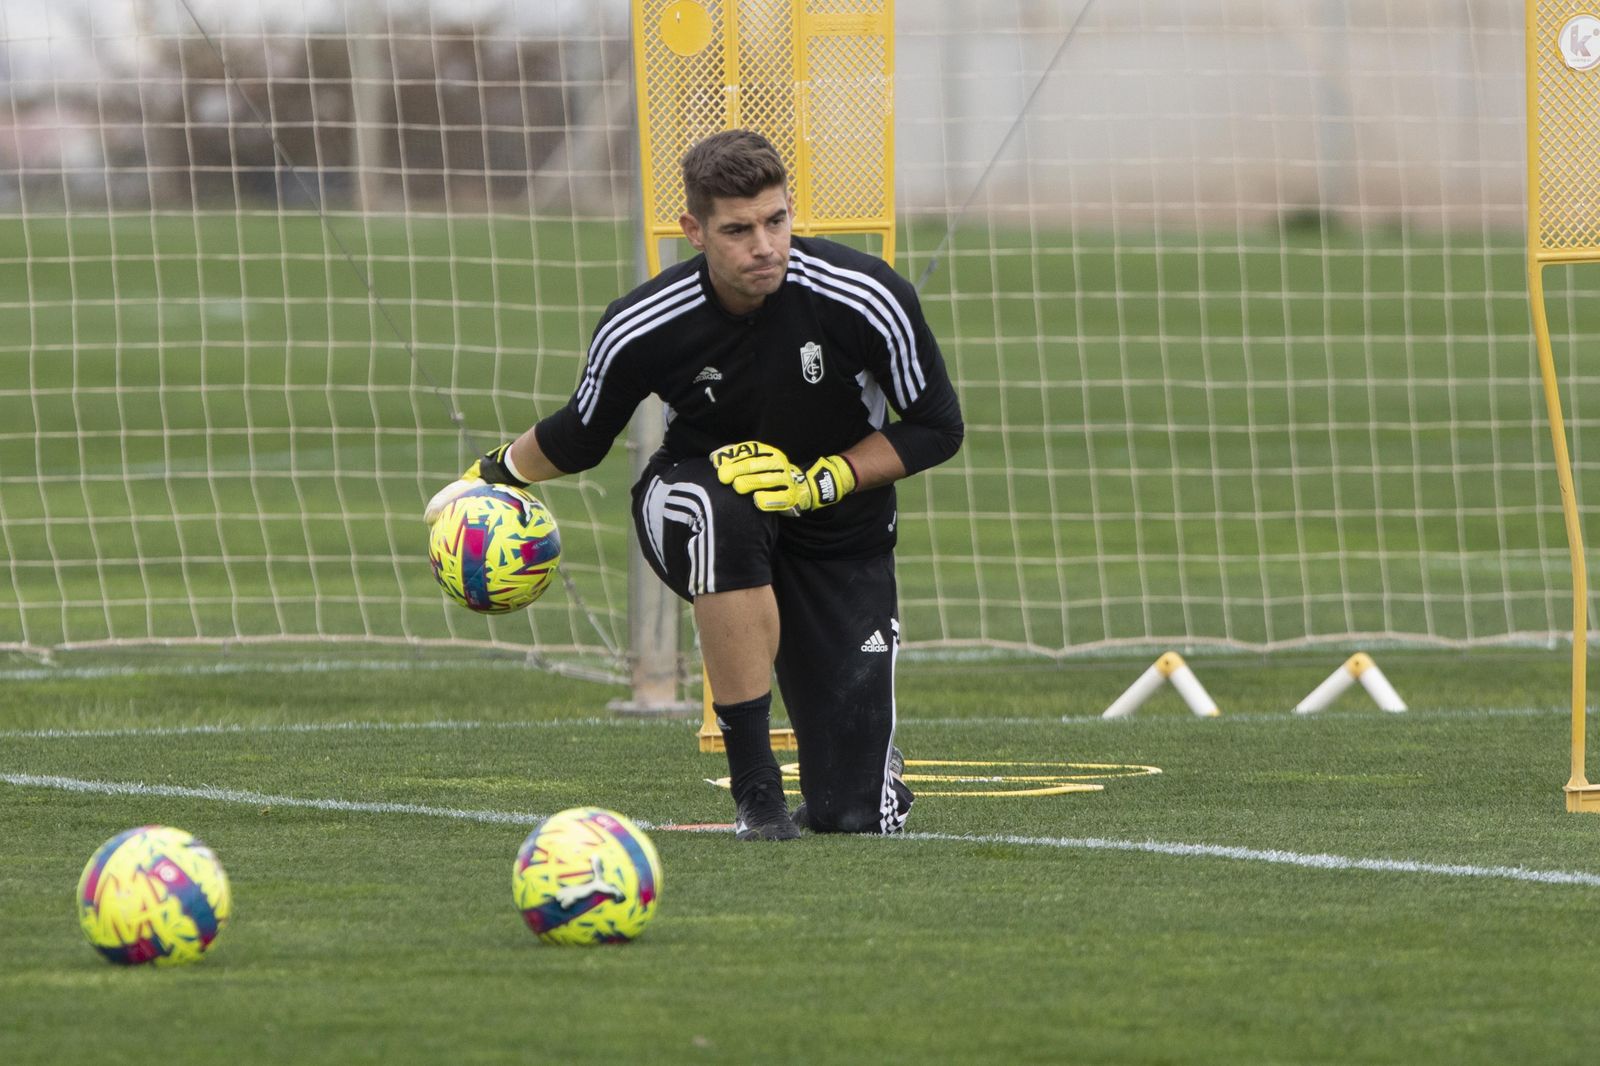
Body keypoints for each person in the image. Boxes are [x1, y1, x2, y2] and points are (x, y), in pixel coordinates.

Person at [425, 129, 963, 840]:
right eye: (738, 230)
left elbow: (937, 425)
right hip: (688, 500)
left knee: (855, 816)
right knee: (721, 513)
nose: (764, 245)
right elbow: (581, 435)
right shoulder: (643, 322)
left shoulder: (865, 295)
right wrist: (493, 473)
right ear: (694, 231)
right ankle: (758, 797)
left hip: (841, 531)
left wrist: (823, 481)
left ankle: (862, 767)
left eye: (776, 221)